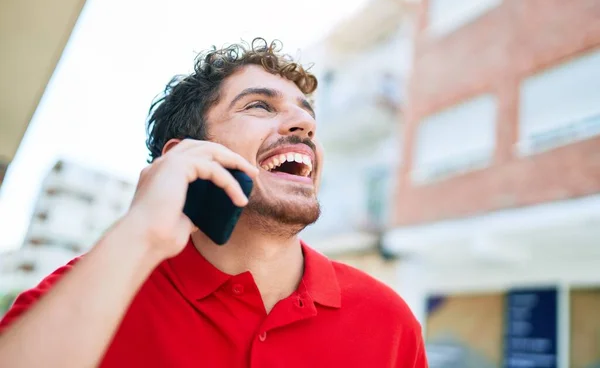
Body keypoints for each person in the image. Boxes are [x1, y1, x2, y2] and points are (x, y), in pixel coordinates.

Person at [0, 38, 427, 367]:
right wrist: (142, 229)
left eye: (306, 113)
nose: (306, 124)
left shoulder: (389, 320)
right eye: (260, 106)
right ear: (184, 155)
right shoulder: (95, 290)